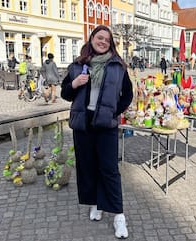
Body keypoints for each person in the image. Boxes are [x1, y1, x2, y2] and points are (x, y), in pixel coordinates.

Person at [60, 25, 133, 239]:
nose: (103, 42)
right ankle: (96, 204)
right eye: (99, 37)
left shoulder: (118, 66)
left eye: (107, 40)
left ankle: (119, 216)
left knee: (109, 169)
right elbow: (65, 93)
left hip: (106, 126)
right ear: (91, 38)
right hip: (83, 124)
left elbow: (127, 95)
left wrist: (112, 112)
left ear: (111, 44)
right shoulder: (77, 65)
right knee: (88, 167)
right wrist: (74, 83)